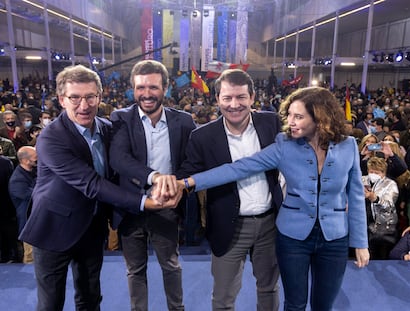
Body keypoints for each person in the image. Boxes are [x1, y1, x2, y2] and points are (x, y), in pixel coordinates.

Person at [162, 86, 370, 311]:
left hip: (335, 238)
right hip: (293, 238)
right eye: (289, 115)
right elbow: (238, 169)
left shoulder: (348, 146)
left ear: (320, 117)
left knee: (324, 305)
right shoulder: (284, 144)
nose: (290, 121)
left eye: (298, 116)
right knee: (295, 304)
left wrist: (360, 242)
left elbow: (356, 196)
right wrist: (186, 183)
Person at [18, 64, 182, 311]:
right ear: (62, 100)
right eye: (75, 97)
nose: (83, 105)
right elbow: (92, 184)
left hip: (91, 228)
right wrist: (146, 202)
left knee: (90, 297)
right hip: (53, 229)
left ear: (100, 97)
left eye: (90, 97)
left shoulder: (107, 128)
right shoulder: (51, 137)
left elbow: (120, 168)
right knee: (51, 303)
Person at [178, 69, 283, 310]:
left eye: (240, 97)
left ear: (252, 97)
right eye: (227, 98)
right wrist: (170, 186)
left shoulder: (271, 122)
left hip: (270, 223)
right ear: (217, 100)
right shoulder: (202, 136)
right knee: (224, 297)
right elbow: (187, 174)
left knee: (268, 288)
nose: (234, 104)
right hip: (229, 225)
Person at [109, 60, 195, 311]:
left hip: (167, 207)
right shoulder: (121, 118)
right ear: (133, 89)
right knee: (135, 270)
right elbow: (119, 160)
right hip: (131, 206)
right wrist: (155, 177)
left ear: (166, 89)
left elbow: (191, 164)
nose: (146, 94)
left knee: (170, 266)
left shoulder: (185, 121)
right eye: (140, 87)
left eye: (153, 87)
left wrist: (181, 187)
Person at [362, 157, 399, 259]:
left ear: (383, 173)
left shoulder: (391, 184)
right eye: (371, 171)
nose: (373, 174)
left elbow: (389, 203)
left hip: (384, 228)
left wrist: (375, 198)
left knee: (381, 258)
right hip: (364, 225)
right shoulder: (362, 180)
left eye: (377, 172)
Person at [8, 146, 37, 263]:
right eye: (35, 158)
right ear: (25, 160)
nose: (38, 160)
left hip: (39, 222)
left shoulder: (35, 171)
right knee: (31, 259)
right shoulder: (17, 180)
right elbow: (35, 196)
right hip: (28, 225)